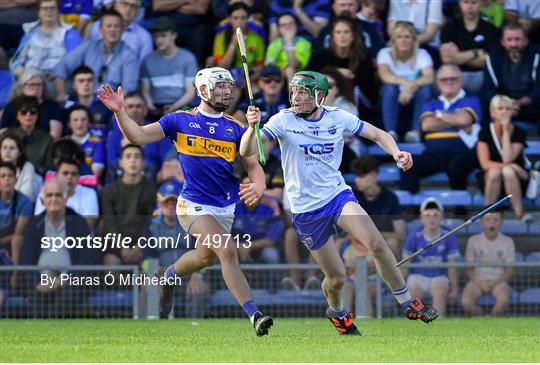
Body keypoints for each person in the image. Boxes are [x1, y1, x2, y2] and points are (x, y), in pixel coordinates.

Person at [241, 70, 439, 336]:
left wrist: (396, 152)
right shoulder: (282, 120)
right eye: (294, 92)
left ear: (319, 97)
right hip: (306, 210)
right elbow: (246, 150)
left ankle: (407, 302)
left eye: (302, 93)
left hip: (337, 196)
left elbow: (379, 134)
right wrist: (251, 127)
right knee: (336, 278)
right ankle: (336, 311)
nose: (295, 97)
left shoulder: (337, 117)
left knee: (377, 244)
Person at [98, 66, 273, 336]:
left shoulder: (236, 128)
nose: (226, 91)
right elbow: (138, 136)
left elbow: (252, 162)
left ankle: (168, 277)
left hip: (224, 207)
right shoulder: (178, 120)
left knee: (205, 258)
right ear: (203, 90)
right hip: (192, 204)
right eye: (219, 86)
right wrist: (119, 111)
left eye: (228, 86)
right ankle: (255, 315)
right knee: (227, 250)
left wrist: (259, 182)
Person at [399, 64, 481, 196]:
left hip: (461, 153)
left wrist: (439, 115)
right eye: (444, 79)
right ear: (438, 83)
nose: (449, 82)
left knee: (457, 165)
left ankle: (459, 208)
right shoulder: (430, 102)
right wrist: (455, 119)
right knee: (407, 165)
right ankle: (411, 209)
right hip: (433, 154)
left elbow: (464, 120)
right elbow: (426, 125)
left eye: (453, 78)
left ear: (461, 80)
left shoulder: (471, 99)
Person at [53, 9, 139, 105]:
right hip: (84, 101)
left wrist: (113, 107)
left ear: (122, 29)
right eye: (109, 26)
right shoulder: (88, 47)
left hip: (112, 105)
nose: (112, 30)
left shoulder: (129, 55)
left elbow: (128, 88)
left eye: (116, 26)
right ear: (101, 29)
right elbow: (61, 67)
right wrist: (61, 94)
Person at [402, 198, 460, 318]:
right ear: (421, 218)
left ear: (441, 217)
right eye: (427, 215)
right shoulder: (414, 235)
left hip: (439, 276)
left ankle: (438, 329)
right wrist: (399, 289)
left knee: (439, 291)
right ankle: (415, 329)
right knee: (413, 293)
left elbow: (452, 264)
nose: (431, 218)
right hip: (417, 275)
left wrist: (454, 288)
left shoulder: (448, 234)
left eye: (435, 215)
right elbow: (406, 264)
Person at [377, 21, 434, 142]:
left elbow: (429, 77)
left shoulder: (422, 54)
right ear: (394, 40)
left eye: (407, 37)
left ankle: (415, 132)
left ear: (414, 40)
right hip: (393, 96)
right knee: (389, 88)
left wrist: (411, 87)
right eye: (399, 37)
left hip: (414, 96)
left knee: (425, 90)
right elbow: (385, 75)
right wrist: (405, 83)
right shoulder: (385, 53)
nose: (403, 40)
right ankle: (390, 133)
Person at [476, 95, 530, 221]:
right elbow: (485, 164)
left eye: (507, 108)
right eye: (500, 108)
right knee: (497, 171)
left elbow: (507, 158)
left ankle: (519, 214)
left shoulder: (519, 132)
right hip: (490, 178)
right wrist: (512, 166)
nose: (504, 111)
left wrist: (506, 131)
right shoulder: (484, 132)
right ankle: (487, 216)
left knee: (507, 172)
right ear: (492, 113)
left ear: (512, 112)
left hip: (517, 179)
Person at [100, 144, 156, 265]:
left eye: (137, 156)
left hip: (142, 243)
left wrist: (138, 248)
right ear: (121, 163)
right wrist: (123, 248)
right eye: (128, 156)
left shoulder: (151, 191)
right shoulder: (109, 191)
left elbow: (150, 223)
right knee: (111, 266)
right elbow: (110, 224)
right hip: (116, 244)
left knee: (149, 269)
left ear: (142, 163)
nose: (133, 160)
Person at [482, 23, 540, 129]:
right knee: (485, 103)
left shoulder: (537, 53)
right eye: (509, 40)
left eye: (517, 39)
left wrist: (520, 103)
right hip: (503, 104)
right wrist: (505, 104)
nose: (513, 44)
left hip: (531, 104)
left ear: (525, 41)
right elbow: (488, 88)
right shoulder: (494, 56)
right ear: (503, 42)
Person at [9, 0, 83, 79]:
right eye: (45, 8)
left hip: (57, 81)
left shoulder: (70, 34)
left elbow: (76, 62)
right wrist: (25, 74)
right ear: (39, 13)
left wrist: (58, 75)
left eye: (52, 8)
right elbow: (17, 62)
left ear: (58, 11)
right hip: (30, 81)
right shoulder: (30, 32)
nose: (49, 11)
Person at [141, 17, 198, 118]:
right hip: (156, 108)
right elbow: (145, 91)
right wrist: (151, 107)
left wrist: (174, 107)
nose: (159, 40)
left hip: (181, 107)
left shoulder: (188, 58)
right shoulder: (148, 60)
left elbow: (191, 91)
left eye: (163, 36)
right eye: (156, 36)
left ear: (174, 35)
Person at [462, 209, 515, 316]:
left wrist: (495, 282)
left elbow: (509, 270)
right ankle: (482, 317)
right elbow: (469, 269)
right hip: (477, 280)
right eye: (488, 219)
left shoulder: (508, 241)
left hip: (499, 280)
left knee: (503, 300)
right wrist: (479, 282)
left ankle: (493, 321)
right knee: (466, 302)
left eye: (496, 220)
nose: (492, 223)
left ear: (501, 222)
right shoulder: (473, 241)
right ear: (481, 222)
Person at [439, 0, 500, 95]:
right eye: (466, 2)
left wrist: (456, 57)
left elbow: (488, 61)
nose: (470, 7)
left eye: (474, 2)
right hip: (454, 74)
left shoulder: (491, 29)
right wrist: (476, 52)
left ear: (481, 4)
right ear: (459, 4)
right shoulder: (449, 27)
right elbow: (446, 59)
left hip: (480, 75)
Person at [351, 156, 405, 256]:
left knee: (392, 243)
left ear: (374, 176)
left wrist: (375, 236)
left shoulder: (390, 197)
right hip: (358, 241)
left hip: (382, 242)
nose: (357, 180)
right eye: (356, 176)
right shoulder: (352, 196)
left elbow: (400, 233)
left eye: (362, 176)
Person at [35, 158, 99, 230]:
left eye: (74, 174)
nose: (69, 177)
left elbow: (87, 226)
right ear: (56, 176)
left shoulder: (90, 193)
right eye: (65, 173)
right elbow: (39, 224)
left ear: (78, 177)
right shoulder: (45, 192)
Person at [1, 68, 65, 139]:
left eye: (38, 84)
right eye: (31, 84)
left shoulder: (53, 106)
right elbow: (3, 133)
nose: (35, 88)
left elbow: (54, 135)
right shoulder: (11, 107)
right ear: (22, 87)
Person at [88, 0, 152, 64]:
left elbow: (143, 68)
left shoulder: (144, 37)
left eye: (133, 6)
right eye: (124, 4)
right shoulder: (95, 28)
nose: (128, 9)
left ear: (138, 11)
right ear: (115, 5)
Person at [5, 95, 53, 174]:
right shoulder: (8, 134)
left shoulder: (47, 138)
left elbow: (48, 166)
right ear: (17, 116)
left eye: (33, 112)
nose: (28, 115)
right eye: (24, 112)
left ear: (38, 115)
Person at [265, 13, 312, 81]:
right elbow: (268, 65)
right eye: (283, 25)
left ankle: (292, 92)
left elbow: (293, 65)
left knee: (289, 70)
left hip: (299, 78)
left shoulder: (305, 43)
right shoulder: (274, 44)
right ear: (279, 29)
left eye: (291, 23)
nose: (287, 27)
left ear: (296, 26)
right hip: (276, 75)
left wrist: (289, 42)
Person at [66, 105, 106, 179]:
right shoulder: (63, 143)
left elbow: (96, 173)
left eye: (83, 119)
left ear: (89, 122)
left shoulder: (97, 142)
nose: (79, 123)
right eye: (75, 120)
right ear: (69, 124)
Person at [0, 133, 38, 200]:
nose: (7, 151)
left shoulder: (27, 167)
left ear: (19, 152)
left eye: (12, 148)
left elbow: (26, 194)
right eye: (4, 147)